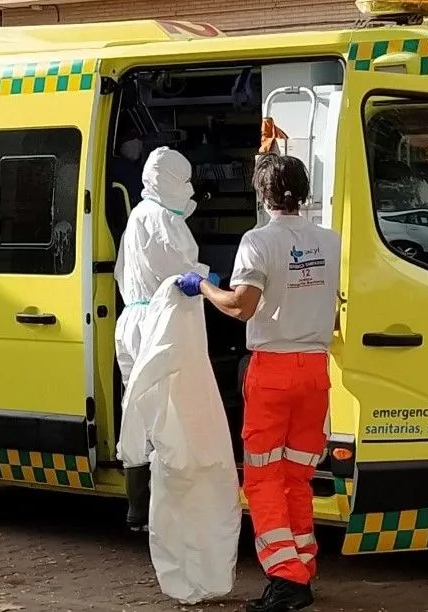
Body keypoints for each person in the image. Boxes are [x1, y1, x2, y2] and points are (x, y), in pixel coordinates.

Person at [175, 154, 340, 612]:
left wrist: (203, 286)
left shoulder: (258, 241)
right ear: (304, 193)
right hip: (315, 369)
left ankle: (285, 579)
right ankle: (302, 566)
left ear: (262, 194)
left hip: (273, 370)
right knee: (298, 475)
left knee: (264, 476)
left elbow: (241, 307)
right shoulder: (331, 241)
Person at [114, 146, 213, 533]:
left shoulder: (140, 215)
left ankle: (138, 508)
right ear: (169, 181)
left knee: (138, 411)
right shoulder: (161, 221)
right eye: (183, 181)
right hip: (160, 321)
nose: (187, 189)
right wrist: (208, 280)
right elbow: (184, 276)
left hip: (134, 320)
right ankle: (165, 507)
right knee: (168, 412)